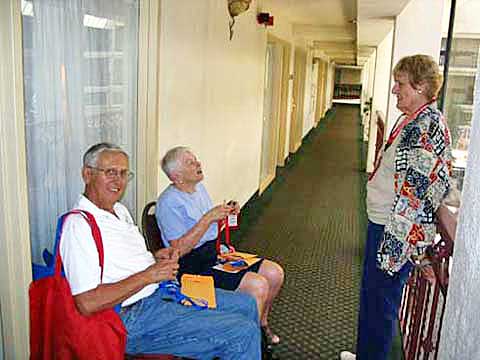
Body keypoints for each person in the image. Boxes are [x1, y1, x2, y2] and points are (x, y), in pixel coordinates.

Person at [60, 142, 261, 360]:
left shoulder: (118, 210)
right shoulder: (79, 226)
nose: (118, 181)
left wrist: (155, 258)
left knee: (246, 303)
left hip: (160, 291)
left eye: (123, 173)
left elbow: (118, 261)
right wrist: (149, 275)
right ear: (87, 174)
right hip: (132, 316)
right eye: (110, 172)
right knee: (242, 332)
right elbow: (87, 303)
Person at [340, 55, 453, 360]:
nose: (393, 90)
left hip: (395, 232)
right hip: (383, 223)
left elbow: (416, 199)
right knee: (371, 298)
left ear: (420, 86)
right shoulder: (411, 119)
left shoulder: (427, 128)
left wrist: (418, 255)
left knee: (382, 304)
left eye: (400, 83)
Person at [156, 146, 285, 346]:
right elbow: (177, 251)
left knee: (275, 273)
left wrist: (227, 212)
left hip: (214, 255)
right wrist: (208, 218)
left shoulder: (199, 189)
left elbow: (210, 229)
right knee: (258, 285)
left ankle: (261, 323)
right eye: (191, 163)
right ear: (177, 176)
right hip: (192, 266)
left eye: (196, 159)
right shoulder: (168, 203)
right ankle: (246, 342)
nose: (198, 164)